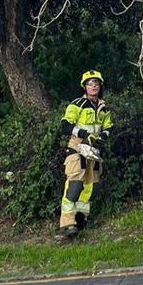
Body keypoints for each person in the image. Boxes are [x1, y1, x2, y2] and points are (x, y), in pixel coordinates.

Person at [58, 70, 113, 238]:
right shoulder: (77, 104)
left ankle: (81, 220)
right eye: (90, 84)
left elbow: (109, 127)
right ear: (84, 87)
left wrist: (103, 137)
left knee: (92, 187)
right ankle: (68, 223)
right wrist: (84, 135)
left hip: (94, 152)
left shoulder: (103, 108)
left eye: (96, 83)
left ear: (100, 86)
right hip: (78, 149)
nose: (94, 86)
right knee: (74, 186)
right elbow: (66, 125)